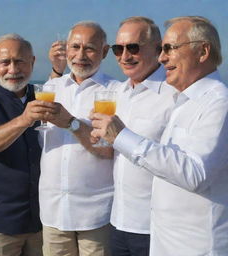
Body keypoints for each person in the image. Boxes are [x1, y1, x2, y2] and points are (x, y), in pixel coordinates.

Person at [91, 16, 228, 255]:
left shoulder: (219, 103)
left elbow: (195, 172)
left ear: (203, 51)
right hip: (162, 239)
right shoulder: (186, 100)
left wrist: (122, 136)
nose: (163, 57)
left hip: (196, 246)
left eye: (170, 49)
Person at [38, 21, 117, 256]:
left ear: (104, 51)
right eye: (75, 47)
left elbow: (109, 149)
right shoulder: (52, 86)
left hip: (95, 213)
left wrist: (71, 123)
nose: (80, 55)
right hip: (53, 211)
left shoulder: (116, 91)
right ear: (67, 49)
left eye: (90, 48)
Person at [106, 17, 176, 256]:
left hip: (155, 227)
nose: (125, 56)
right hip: (117, 220)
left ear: (158, 49)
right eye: (118, 49)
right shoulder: (117, 92)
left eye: (133, 47)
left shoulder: (174, 94)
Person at [0, 34, 47, 256]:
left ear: (32, 62)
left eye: (20, 61)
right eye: (5, 62)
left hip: (45, 219)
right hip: (1, 223)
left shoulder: (45, 94)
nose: (13, 69)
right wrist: (25, 119)